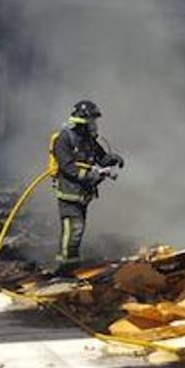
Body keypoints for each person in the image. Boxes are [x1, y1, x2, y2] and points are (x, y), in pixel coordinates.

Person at [48, 99, 124, 273]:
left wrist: (113, 159)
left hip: (83, 194)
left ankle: (72, 266)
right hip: (69, 194)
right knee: (73, 230)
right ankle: (64, 269)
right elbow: (68, 168)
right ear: (83, 120)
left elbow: (101, 157)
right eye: (92, 120)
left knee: (77, 231)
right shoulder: (64, 138)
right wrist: (92, 175)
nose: (94, 124)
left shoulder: (87, 139)